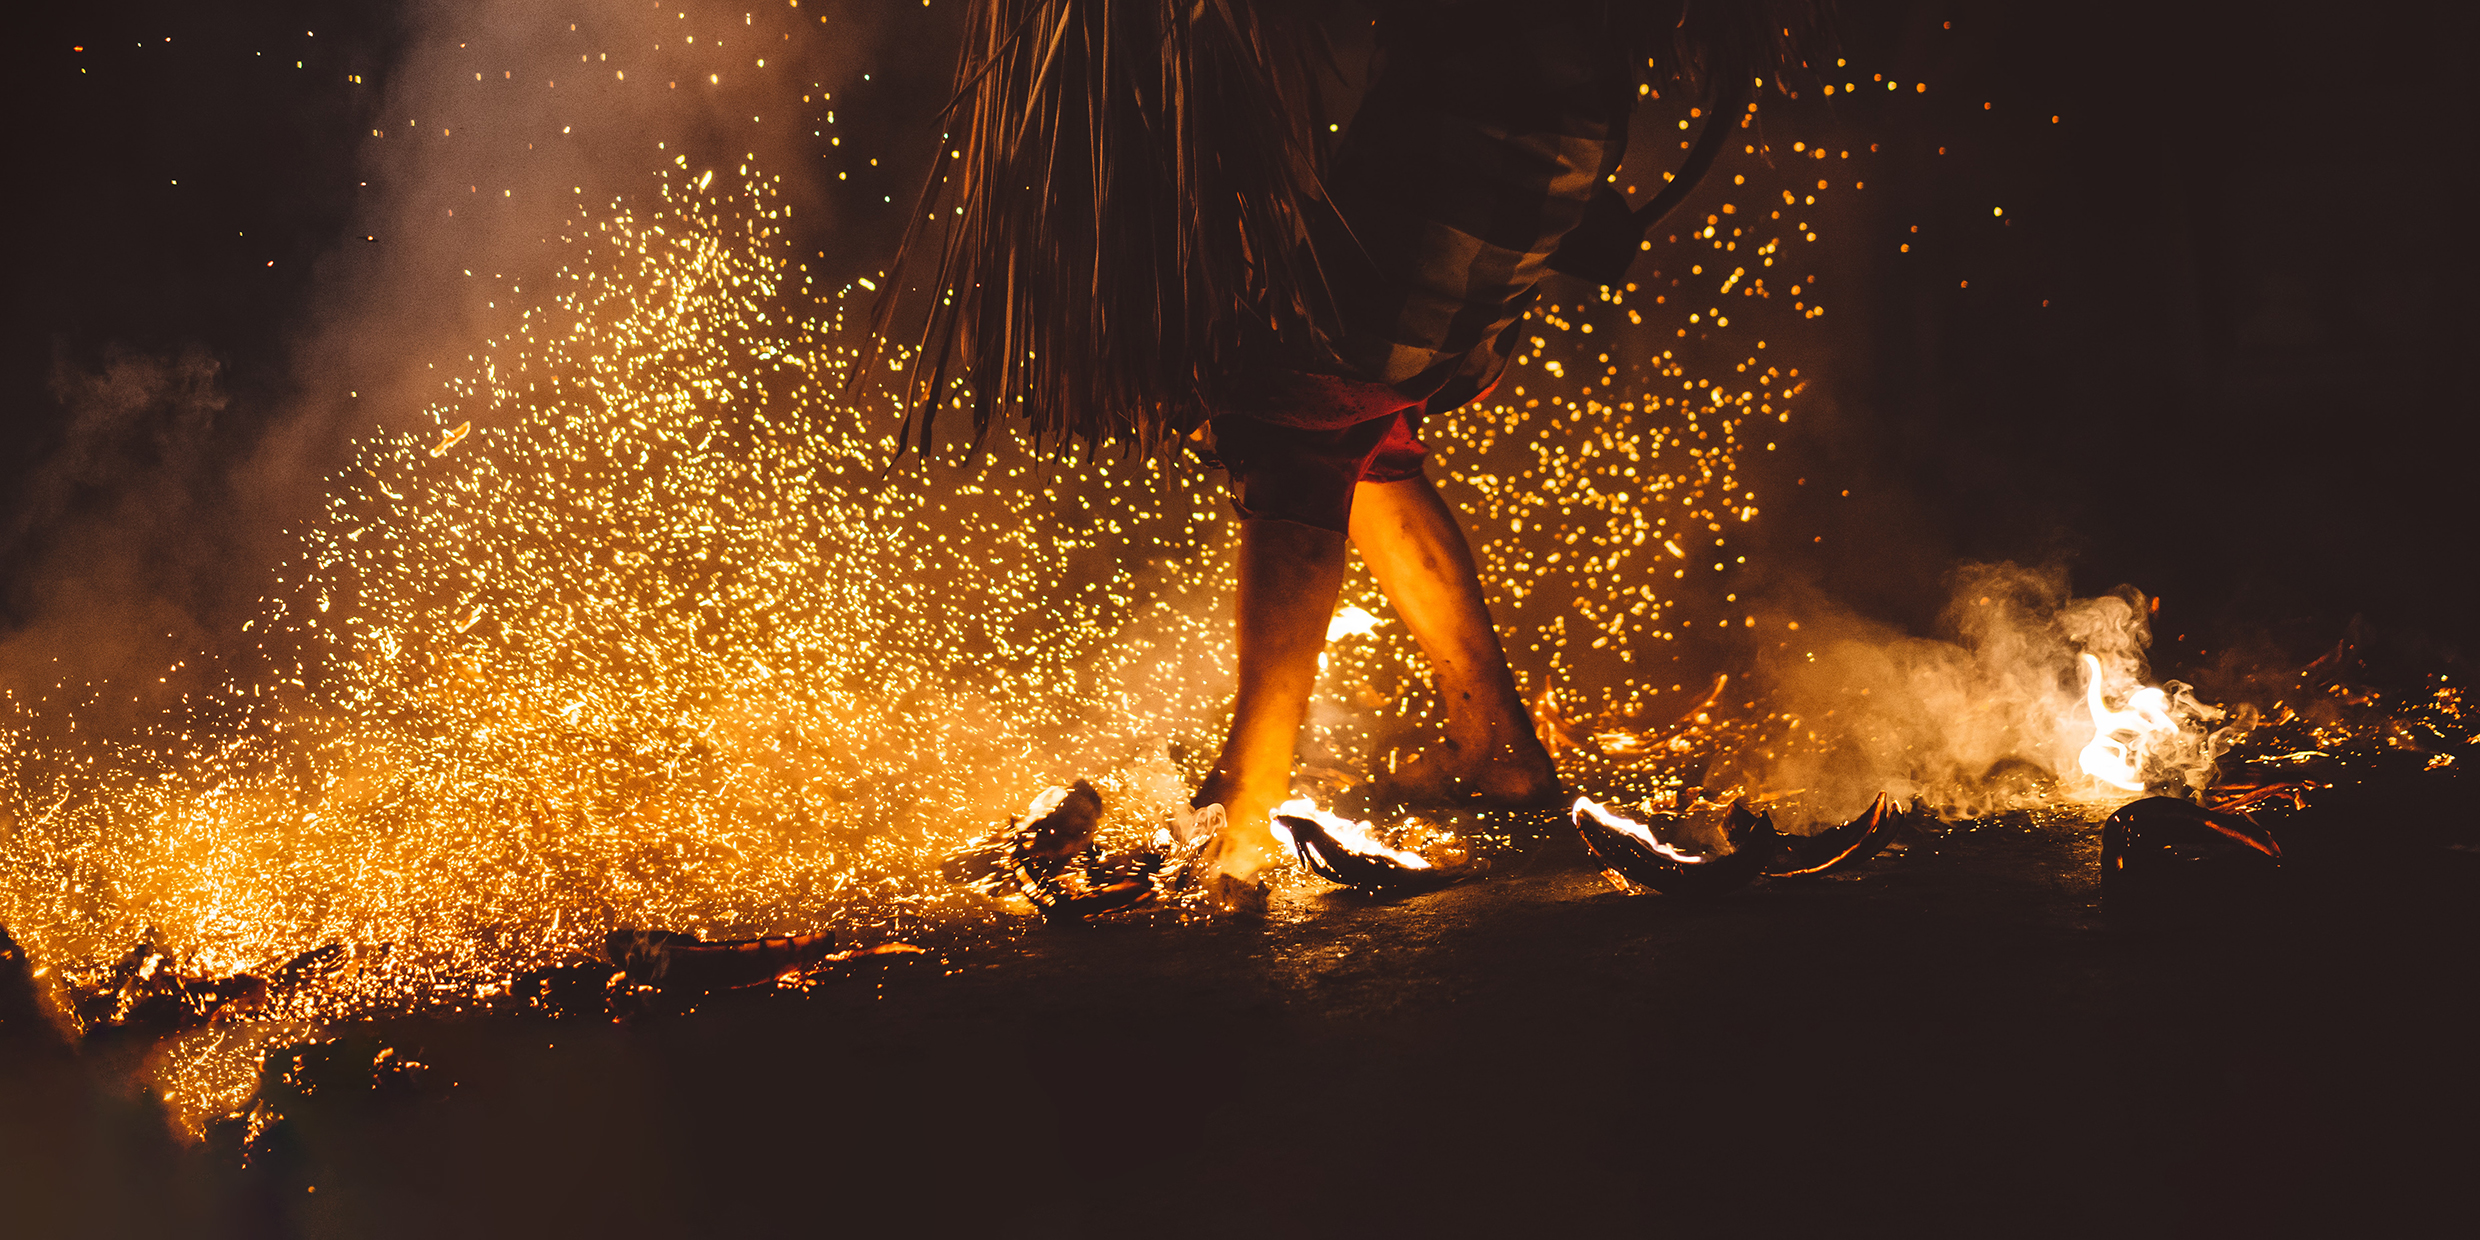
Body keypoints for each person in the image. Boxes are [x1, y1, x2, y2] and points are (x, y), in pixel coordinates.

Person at [873, 0, 1829, 899]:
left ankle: (1245, 801)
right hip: (1520, 115)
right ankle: (1495, 745)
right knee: (1367, 430)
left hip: (1495, 117)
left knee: (1301, 404)